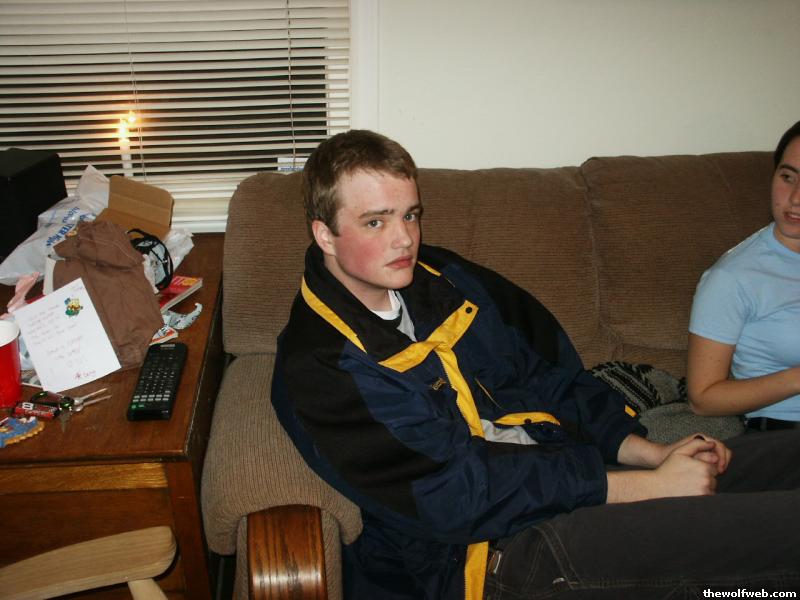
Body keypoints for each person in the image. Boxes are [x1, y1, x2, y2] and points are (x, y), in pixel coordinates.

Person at [271, 129, 800, 599]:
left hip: (568, 474)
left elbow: (545, 375)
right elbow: (454, 493)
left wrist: (651, 454)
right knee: (774, 533)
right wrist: (647, 486)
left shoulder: (442, 280)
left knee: (776, 458)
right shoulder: (323, 366)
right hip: (487, 555)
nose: (405, 238)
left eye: (410, 214)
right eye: (375, 222)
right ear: (325, 235)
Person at [687, 121, 800, 431]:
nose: (795, 198)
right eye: (788, 177)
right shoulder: (732, 277)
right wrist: (796, 379)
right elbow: (703, 398)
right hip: (785, 434)